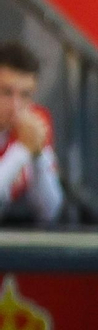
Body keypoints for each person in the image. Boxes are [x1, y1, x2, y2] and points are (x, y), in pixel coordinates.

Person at [0, 41, 63, 224]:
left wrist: (37, 155)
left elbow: (50, 211)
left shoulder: (35, 121)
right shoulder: (26, 139)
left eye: (25, 95)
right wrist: (22, 150)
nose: (16, 106)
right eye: (6, 92)